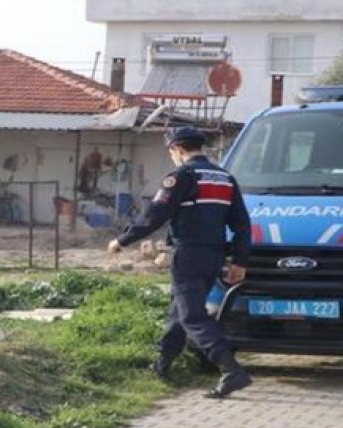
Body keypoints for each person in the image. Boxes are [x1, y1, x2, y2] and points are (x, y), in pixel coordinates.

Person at [108, 126, 253, 399]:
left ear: (177, 149)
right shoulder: (225, 178)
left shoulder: (182, 176)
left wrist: (122, 240)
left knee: (192, 316)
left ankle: (230, 369)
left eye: (171, 152)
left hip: (188, 255)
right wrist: (240, 261)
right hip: (214, 256)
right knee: (180, 310)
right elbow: (242, 224)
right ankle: (161, 365)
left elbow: (154, 215)